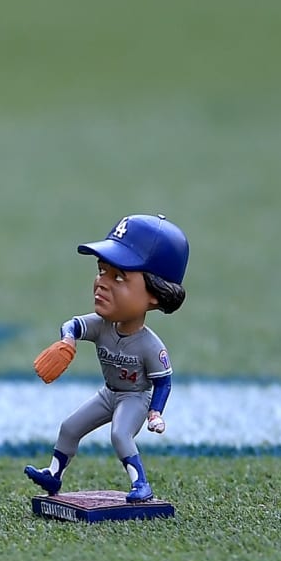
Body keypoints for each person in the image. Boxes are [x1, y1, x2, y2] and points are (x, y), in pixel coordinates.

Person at [24, 213, 188, 503]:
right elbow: (73, 324)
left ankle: (141, 484)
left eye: (118, 277)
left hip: (134, 398)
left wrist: (156, 413)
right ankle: (53, 474)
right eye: (101, 271)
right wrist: (67, 341)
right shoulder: (102, 325)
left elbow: (163, 382)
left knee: (120, 434)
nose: (102, 283)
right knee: (70, 427)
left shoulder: (150, 345)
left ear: (156, 293)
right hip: (109, 393)